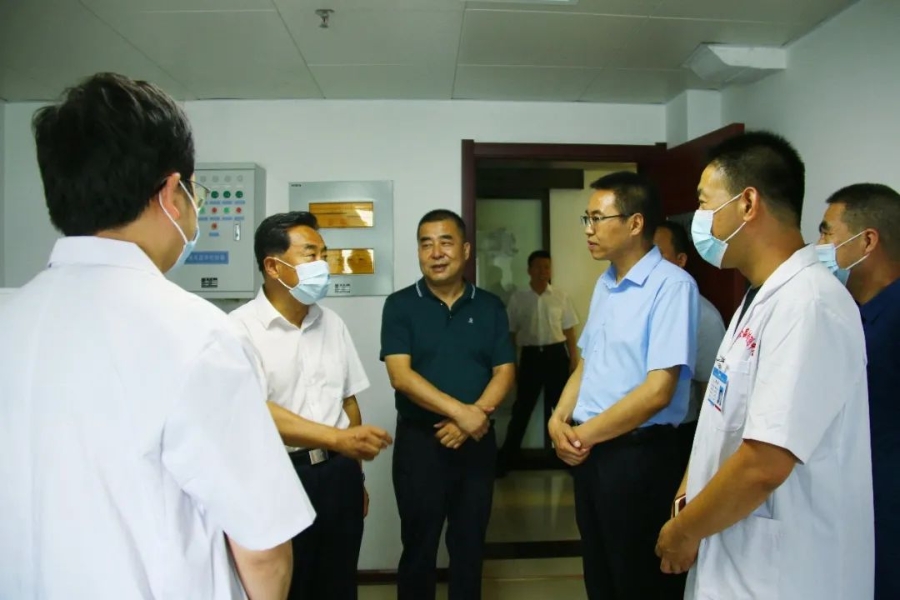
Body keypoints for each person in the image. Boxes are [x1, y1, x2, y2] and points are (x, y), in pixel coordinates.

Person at [0, 73, 314, 599]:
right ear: (171, 193)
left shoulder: (9, 317)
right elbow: (262, 549)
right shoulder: (196, 334)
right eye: (194, 192)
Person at [655, 131, 874, 600]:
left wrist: (683, 531)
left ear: (747, 203)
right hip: (738, 555)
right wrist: (688, 495)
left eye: (704, 203)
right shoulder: (759, 298)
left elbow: (764, 464)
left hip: (787, 572)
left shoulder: (809, 304)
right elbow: (722, 420)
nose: (698, 219)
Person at [547, 171, 699, 600]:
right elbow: (587, 362)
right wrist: (559, 419)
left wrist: (581, 436)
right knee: (601, 575)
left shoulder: (672, 286)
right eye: (587, 218)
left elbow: (658, 391)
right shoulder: (606, 283)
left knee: (638, 580)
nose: (588, 229)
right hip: (592, 453)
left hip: (638, 457)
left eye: (597, 218)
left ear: (635, 223)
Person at [230, 211, 393, 600]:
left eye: (324, 254)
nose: (323, 265)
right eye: (311, 254)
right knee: (292, 585)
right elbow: (256, 411)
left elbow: (348, 401)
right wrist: (338, 439)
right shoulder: (239, 330)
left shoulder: (331, 323)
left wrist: (355, 475)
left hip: (338, 476)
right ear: (274, 266)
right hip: (281, 473)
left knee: (339, 583)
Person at [381, 209, 516, 600]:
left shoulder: (489, 306)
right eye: (426, 244)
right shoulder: (400, 305)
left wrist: (474, 420)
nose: (436, 253)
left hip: (477, 442)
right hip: (420, 445)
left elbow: (505, 371)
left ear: (466, 250)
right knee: (418, 546)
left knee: (470, 545)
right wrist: (462, 414)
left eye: (446, 242)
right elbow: (400, 376)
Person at [816, 183, 900, 600]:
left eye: (827, 233)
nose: (819, 247)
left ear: (867, 241)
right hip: (848, 503)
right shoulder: (847, 314)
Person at [497, 250, 579, 476]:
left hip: (556, 356)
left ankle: (574, 461)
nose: (543, 271)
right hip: (531, 357)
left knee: (563, 409)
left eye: (547, 267)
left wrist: (573, 359)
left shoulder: (560, 296)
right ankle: (505, 461)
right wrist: (511, 363)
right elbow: (511, 333)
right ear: (529, 270)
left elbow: (569, 331)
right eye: (538, 267)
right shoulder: (518, 298)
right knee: (522, 409)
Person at [653, 221, 726, 461]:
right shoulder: (629, 306)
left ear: (680, 260)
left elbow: (710, 393)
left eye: (657, 254)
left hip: (674, 435)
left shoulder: (704, 316)